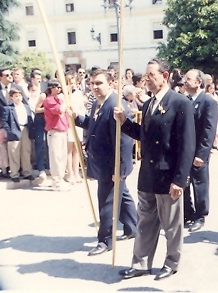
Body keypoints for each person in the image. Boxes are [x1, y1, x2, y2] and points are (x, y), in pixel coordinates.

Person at [115, 58, 195, 281]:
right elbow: (145, 136)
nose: (146, 79)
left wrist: (179, 180)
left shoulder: (180, 103)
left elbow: (187, 145)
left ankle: (171, 262)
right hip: (148, 175)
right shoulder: (148, 104)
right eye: (146, 75)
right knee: (145, 223)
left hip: (168, 175)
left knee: (171, 225)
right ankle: (140, 263)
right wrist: (125, 121)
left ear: (165, 76)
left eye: (152, 75)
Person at [74, 69, 137, 256]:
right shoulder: (98, 104)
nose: (94, 87)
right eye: (92, 83)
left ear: (111, 83)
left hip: (112, 165)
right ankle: (133, 227)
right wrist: (76, 117)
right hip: (100, 162)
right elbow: (92, 125)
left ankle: (105, 241)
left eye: (99, 83)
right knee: (122, 195)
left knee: (107, 202)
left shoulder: (116, 106)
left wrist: (121, 169)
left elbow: (125, 141)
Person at [183, 69, 217, 232]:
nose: (185, 81)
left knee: (199, 183)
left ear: (198, 82)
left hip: (198, 151)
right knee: (184, 183)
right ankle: (187, 213)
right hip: (184, 151)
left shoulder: (208, 102)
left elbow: (209, 130)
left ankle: (200, 215)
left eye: (188, 79)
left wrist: (202, 154)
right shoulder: (184, 100)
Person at [2, 88, 35, 182]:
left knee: (26, 151)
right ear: (11, 97)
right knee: (14, 152)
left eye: (20, 95)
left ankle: (27, 172)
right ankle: (14, 174)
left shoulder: (26, 107)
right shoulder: (8, 108)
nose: (18, 98)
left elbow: (30, 119)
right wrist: (9, 131)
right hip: (15, 129)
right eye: (16, 96)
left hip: (26, 128)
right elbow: (4, 122)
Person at [43, 80, 70, 190]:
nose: (59, 89)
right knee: (56, 157)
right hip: (54, 131)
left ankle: (60, 178)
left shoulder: (58, 99)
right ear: (51, 88)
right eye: (57, 87)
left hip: (62, 130)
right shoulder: (49, 100)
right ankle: (56, 180)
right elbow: (60, 110)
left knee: (62, 156)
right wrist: (65, 99)